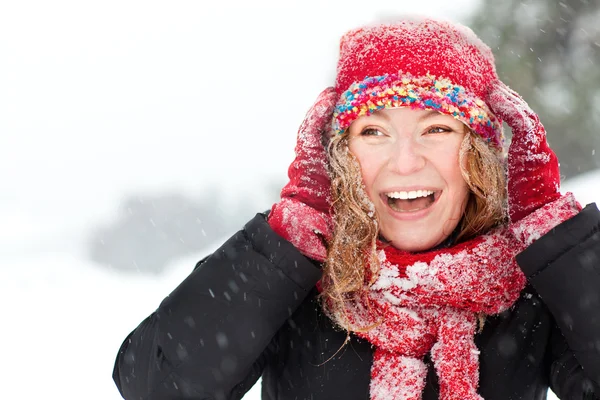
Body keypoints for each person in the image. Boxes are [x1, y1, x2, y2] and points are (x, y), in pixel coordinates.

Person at [112, 17, 600, 400]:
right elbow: (158, 386)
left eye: (437, 129)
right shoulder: (301, 284)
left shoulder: (528, 291)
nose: (405, 163)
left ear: (479, 156)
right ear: (341, 156)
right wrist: (288, 238)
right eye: (373, 132)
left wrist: (555, 229)